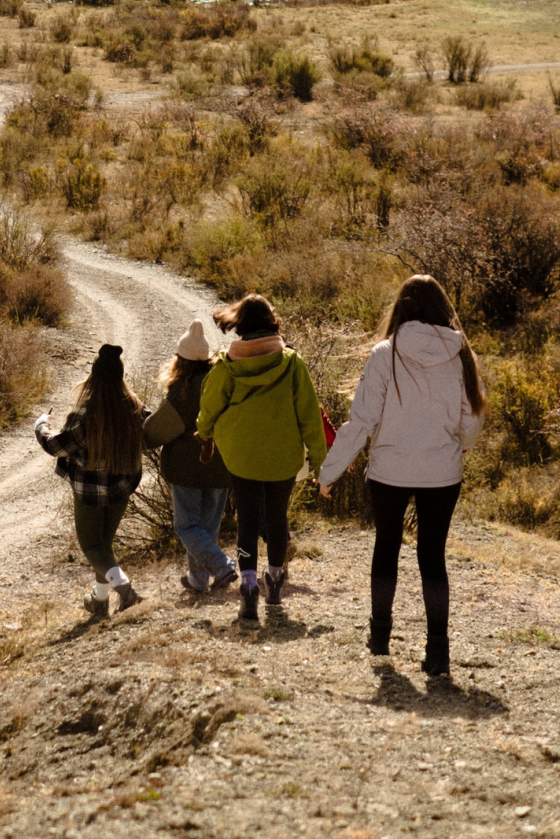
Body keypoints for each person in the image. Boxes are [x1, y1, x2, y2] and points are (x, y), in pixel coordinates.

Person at [318, 274, 486, 676]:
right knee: (433, 558)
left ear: (401, 308)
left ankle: (379, 638)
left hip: (389, 471)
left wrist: (329, 472)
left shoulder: (384, 353)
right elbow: (473, 416)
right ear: (442, 307)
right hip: (442, 474)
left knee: (386, 548)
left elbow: (361, 421)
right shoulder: (462, 352)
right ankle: (438, 652)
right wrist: (462, 443)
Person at [197, 293, 327, 621]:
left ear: (240, 325)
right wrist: (321, 462)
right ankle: (275, 578)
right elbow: (310, 417)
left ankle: (249, 585)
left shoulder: (226, 365)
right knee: (277, 517)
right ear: (272, 322)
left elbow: (209, 408)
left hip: (241, 457)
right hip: (283, 458)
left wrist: (206, 432)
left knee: (248, 521)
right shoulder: (292, 364)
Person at [35, 343, 148, 616]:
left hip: (89, 492)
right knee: (105, 547)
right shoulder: (135, 408)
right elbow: (154, 430)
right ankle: (99, 601)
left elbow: (55, 448)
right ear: (120, 377)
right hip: (121, 488)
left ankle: (125, 589)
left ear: (94, 376)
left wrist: (41, 425)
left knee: (92, 546)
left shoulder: (84, 415)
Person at [144, 319, 235, 594]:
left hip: (186, 471)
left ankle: (222, 566)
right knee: (207, 528)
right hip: (221, 467)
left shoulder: (182, 390)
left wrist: (144, 421)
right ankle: (198, 580)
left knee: (186, 527)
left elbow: (154, 435)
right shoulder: (223, 384)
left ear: (180, 360)